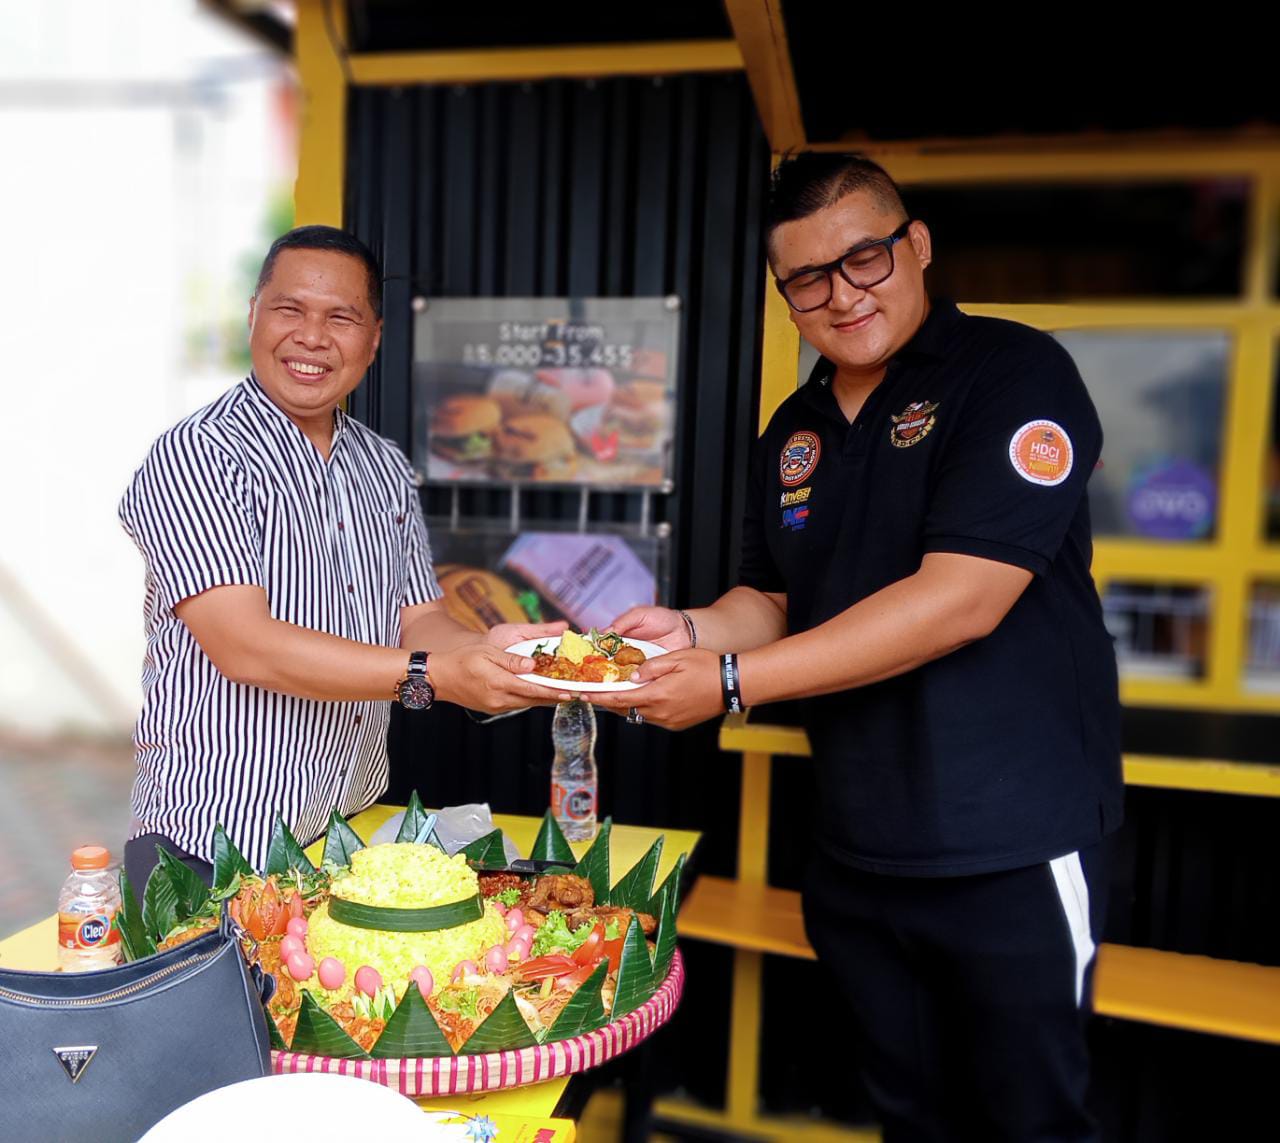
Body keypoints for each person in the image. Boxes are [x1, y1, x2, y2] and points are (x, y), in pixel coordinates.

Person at [598, 155, 1123, 1141]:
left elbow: (958, 601)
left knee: (1030, 1121)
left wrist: (728, 680)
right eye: (807, 278)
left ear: (914, 247)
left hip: (1006, 842)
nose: (841, 295)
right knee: (901, 1113)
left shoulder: (1009, 373)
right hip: (855, 846)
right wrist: (692, 632)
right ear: (783, 294)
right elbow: (774, 597)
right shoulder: (793, 430)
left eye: (865, 259)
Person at [118, 225, 561, 889]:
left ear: (373, 338)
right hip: (209, 847)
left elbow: (419, 620)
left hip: (339, 839)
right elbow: (247, 647)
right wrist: (436, 673)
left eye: (341, 317)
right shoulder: (197, 456)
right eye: (289, 309)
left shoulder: (382, 466)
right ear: (253, 316)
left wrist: (485, 652)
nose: (311, 337)